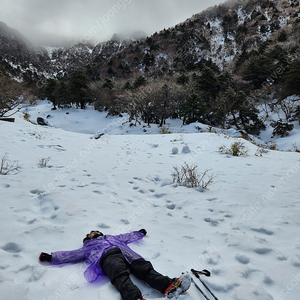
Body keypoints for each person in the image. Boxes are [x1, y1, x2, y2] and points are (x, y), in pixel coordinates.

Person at [39, 229, 191, 300]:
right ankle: (134, 298)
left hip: (128, 254)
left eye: (96, 231)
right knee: (120, 275)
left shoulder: (113, 237)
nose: (94, 232)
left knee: (144, 269)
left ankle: (170, 287)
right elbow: (70, 255)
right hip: (108, 257)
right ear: (88, 237)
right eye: (92, 232)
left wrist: (139, 233)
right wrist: (51, 257)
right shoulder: (87, 247)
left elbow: (127, 236)